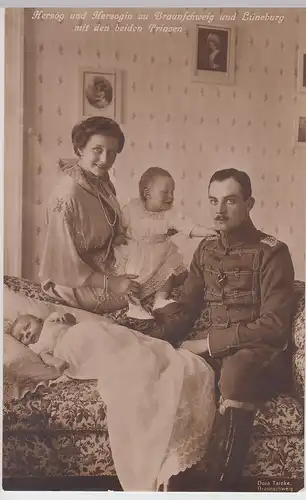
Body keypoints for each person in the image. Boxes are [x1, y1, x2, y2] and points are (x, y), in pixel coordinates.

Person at [150, 168, 295, 491]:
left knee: (237, 368)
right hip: (219, 356)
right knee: (174, 370)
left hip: (260, 357)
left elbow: (274, 327)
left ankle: (220, 491)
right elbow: (187, 311)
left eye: (230, 201)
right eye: (213, 201)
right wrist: (150, 339)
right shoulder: (206, 250)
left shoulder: (273, 252)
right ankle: (175, 485)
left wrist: (207, 344)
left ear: (249, 203)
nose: (219, 210)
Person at [39, 116, 141, 314]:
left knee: (163, 269)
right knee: (142, 292)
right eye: (98, 150)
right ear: (79, 149)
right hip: (71, 282)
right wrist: (111, 283)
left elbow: (110, 225)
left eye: (112, 153)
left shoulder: (101, 181)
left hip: (105, 265)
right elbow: (61, 262)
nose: (105, 160)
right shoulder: (67, 194)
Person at [114, 167, 216, 320]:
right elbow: (120, 225)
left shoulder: (170, 214)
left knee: (169, 272)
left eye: (173, 192)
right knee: (131, 277)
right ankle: (134, 307)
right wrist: (119, 235)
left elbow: (190, 227)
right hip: (135, 252)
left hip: (160, 252)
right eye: (165, 192)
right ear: (147, 194)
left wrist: (209, 231)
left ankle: (160, 299)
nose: (171, 196)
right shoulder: (132, 208)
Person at [10, 311, 76, 373]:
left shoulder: (49, 321)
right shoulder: (35, 347)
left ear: (39, 321)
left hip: (75, 334)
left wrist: (64, 318)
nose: (26, 333)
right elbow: (46, 358)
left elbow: (73, 320)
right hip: (70, 352)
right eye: (21, 337)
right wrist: (56, 362)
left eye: (28, 327)